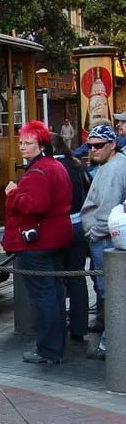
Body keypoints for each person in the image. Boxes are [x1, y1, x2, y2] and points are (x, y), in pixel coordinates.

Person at [5, 121, 73, 364]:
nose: (23, 147)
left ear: (41, 144)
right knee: (53, 295)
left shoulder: (38, 171)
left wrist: (13, 193)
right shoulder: (56, 166)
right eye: (21, 142)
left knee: (45, 297)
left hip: (39, 243)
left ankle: (49, 350)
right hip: (56, 239)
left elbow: (36, 205)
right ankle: (54, 347)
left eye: (28, 143)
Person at [80, 123, 126, 359]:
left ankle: (111, 342)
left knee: (111, 292)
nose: (93, 150)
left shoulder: (112, 170)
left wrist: (94, 232)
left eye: (98, 146)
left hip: (106, 238)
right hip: (108, 236)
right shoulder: (113, 165)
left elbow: (106, 209)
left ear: (112, 145)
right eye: (90, 146)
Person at [50, 134, 90, 341]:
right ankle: (80, 327)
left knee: (56, 279)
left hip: (59, 226)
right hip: (80, 225)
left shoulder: (52, 168)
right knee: (77, 277)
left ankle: (56, 329)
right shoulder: (78, 166)